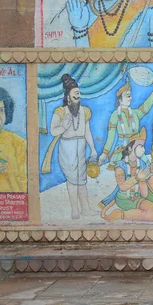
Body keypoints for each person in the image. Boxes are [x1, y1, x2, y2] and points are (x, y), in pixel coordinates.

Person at [48, 74, 99, 219]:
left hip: (81, 146)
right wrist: (64, 126)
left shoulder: (85, 111)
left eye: (79, 93)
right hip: (67, 147)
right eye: (76, 93)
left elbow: (87, 131)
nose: (79, 96)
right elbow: (53, 131)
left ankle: (86, 208)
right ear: (68, 96)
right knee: (72, 179)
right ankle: (75, 209)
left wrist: (93, 148)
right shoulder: (61, 111)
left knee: (82, 179)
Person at [98, 77, 153, 169]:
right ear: (120, 100)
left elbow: (146, 106)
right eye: (128, 96)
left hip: (136, 149)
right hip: (121, 152)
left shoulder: (135, 113)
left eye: (130, 96)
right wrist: (105, 153)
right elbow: (111, 136)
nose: (131, 98)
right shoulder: (115, 115)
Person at [100, 128, 153, 222]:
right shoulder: (121, 165)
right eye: (140, 146)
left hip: (138, 197)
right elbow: (122, 187)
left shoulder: (142, 164)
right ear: (130, 148)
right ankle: (120, 214)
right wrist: (137, 178)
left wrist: (142, 181)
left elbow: (144, 194)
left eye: (143, 146)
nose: (143, 149)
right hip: (124, 198)